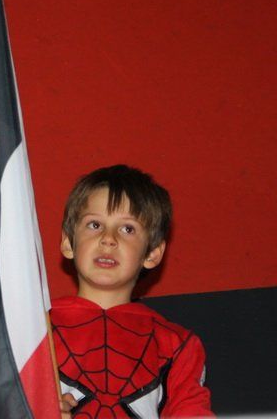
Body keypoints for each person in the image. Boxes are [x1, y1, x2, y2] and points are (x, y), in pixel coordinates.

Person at [53, 165, 214, 418]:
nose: (108, 239)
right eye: (95, 224)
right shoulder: (31, 330)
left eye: (127, 229)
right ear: (67, 242)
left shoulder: (177, 345)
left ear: (152, 254)